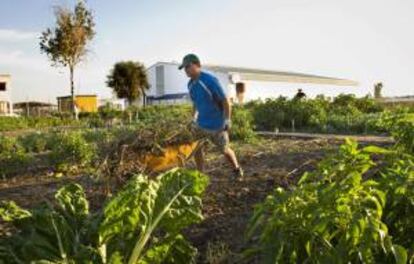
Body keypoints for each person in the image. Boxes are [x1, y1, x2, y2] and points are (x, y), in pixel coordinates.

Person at [179, 54, 244, 180]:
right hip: (201, 124)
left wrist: (227, 120)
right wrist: (193, 118)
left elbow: (225, 100)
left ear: (197, 65)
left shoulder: (209, 80)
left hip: (217, 124)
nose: (186, 70)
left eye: (188, 66)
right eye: (184, 68)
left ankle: (236, 168)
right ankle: (201, 173)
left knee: (225, 150)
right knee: (196, 148)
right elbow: (195, 103)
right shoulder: (190, 84)